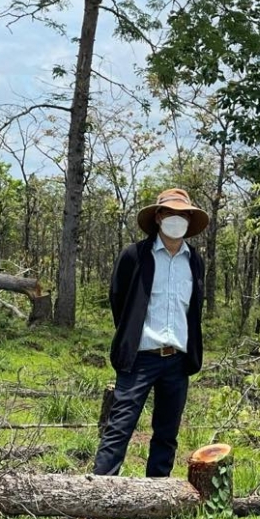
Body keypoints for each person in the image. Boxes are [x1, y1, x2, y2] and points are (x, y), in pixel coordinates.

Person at [92, 188, 208, 477]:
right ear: (158, 217)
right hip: (140, 357)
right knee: (119, 427)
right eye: (170, 214)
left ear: (189, 221)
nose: (176, 220)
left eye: (182, 215)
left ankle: (157, 494)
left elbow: (194, 309)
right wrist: (133, 337)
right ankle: (98, 493)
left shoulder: (194, 261)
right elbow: (119, 299)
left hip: (177, 360)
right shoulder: (135, 255)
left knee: (167, 433)